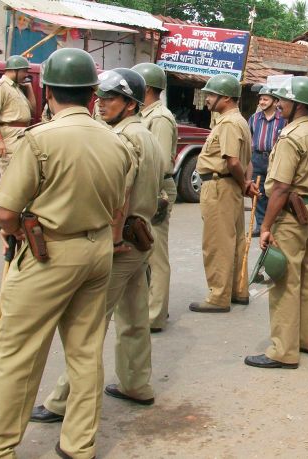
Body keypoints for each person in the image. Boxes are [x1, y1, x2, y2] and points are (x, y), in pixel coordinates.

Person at [0, 48, 130, 459]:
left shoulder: (40, 139)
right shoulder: (116, 141)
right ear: (93, 93)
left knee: (16, 350)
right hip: (97, 251)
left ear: (49, 94)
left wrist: (14, 230)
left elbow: (5, 213)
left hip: (49, 253)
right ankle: (79, 445)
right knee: (85, 351)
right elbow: (118, 208)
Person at [31, 68, 164, 425]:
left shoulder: (124, 138)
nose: (101, 103)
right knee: (134, 317)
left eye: (111, 98)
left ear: (131, 104)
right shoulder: (145, 134)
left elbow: (119, 195)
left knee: (87, 329)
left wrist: (114, 239)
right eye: (101, 97)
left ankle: (61, 401)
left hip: (122, 242)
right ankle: (137, 384)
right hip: (142, 238)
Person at [244, 76, 308, 369]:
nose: (279, 105)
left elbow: (280, 187)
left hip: (293, 215)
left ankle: (282, 351)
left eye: (283, 100)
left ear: (298, 104)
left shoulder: (291, 136)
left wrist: (266, 226)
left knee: (284, 280)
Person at [189, 74, 256, 313]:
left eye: (211, 95)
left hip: (220, 186)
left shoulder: (228, 123)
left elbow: (233, 161)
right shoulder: (239, 121)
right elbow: (245, 162)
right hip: (229, 186)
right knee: (234, 240)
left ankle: (218, 296)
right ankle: (238, 290)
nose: (207, 99)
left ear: (225, 97)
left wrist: (243, 183)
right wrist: (245, 183)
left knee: (217, 243)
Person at [131, 62, 177, 334]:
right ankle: (150, 306)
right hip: (147, 188)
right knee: (145, 251)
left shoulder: (159, 117)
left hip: (157, 188)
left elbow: (158, 162)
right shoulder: (145, 114)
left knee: (156, 254)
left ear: (146, 87)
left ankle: (155, 314)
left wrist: (156, 196)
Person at [0, 55, 36, 175]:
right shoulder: (0, 86)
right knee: (10, 177)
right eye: (24, 71)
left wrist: (29, 88)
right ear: (14, 70)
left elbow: (33, 110)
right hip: (9, 137)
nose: (26, 75)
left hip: (20, 135)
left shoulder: (16, 88)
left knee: (20, 176)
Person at [248, 85, 287, 231]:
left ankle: (273, 224)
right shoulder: (254, 118)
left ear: (275, 102)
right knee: (257, 192)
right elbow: (249, 137)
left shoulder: (283, 119)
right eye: (260, 99)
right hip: (257, 158)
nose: (262, 102)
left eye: (266, 99)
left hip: (276, 159)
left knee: (275, 191)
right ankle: (260, 224)